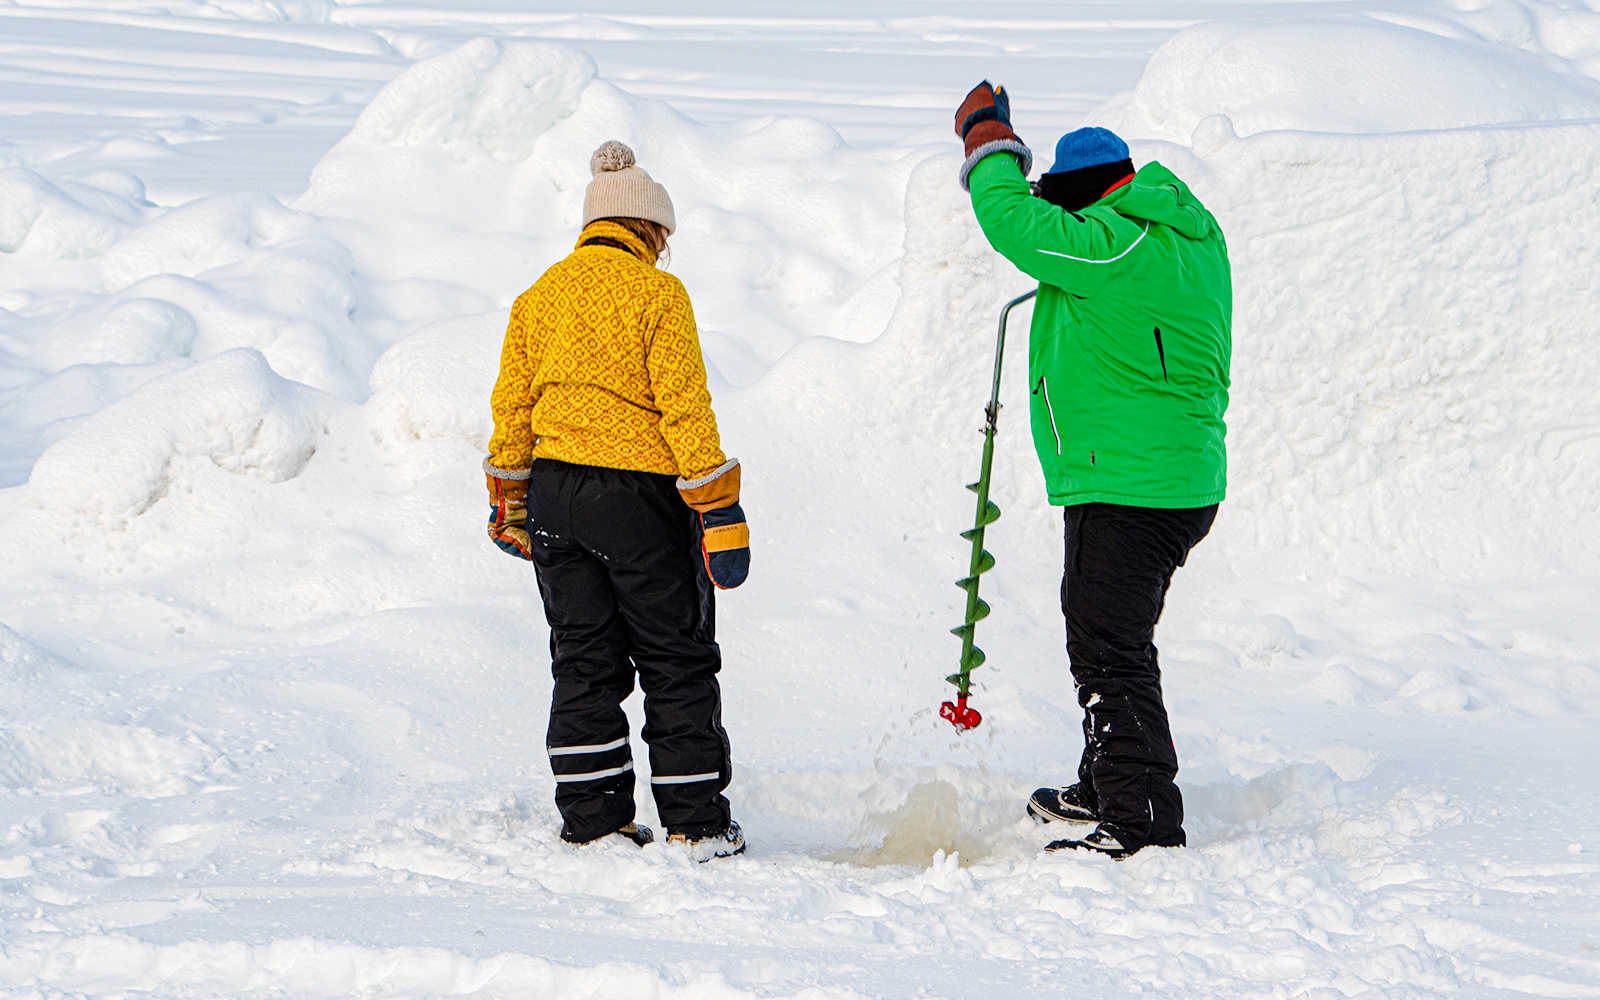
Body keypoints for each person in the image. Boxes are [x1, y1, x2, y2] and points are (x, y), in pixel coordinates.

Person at [953, 83, 1232, 858]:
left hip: (1134, 482)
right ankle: (1111, 781)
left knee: (1109, 646)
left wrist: (987, 139)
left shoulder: (1121, 239)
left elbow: (1013, 223)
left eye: (1066, 204)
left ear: (1089, 195)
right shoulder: (1180, 236)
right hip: (1155, 475)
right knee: (1107, 630)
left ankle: (1139, 818)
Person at [482, 140, 750, 862]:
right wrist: (719, 508)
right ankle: (696, 822)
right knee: (675, 657)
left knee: (583, 660)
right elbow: (685, 408)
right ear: (649, 229)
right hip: (638, 501)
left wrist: (507, 497)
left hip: (553, 496)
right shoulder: (658, 294)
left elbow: (512, 407)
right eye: (665, 237)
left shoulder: (538, 295)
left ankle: (595, 821)